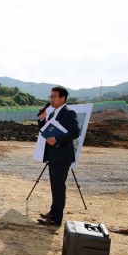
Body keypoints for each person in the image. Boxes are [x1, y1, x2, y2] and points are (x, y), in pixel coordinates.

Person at [37, 86, 80, 226]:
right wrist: (42, 119)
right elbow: (45, 131)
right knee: (54, 186)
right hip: (53, 155)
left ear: (63, 98)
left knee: (59, 187)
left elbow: (75, 132)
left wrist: (57, 140)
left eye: (54, 96)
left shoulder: (68, 113)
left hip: (62, 156)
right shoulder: (52, 114)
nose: (51, 99)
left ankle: (56, 218)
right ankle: (53, 212)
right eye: (50, 96)